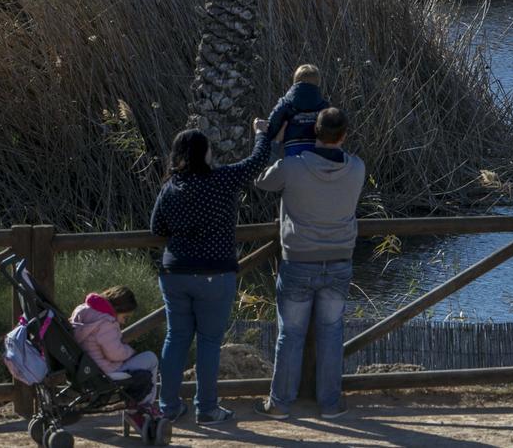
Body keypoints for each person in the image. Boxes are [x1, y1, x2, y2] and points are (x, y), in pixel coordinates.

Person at [150, 119, 271, 425]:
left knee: (175, 339)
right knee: (208, 342)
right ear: (205, 153)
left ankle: (167, 407)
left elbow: (157, 228)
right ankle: (206, 408)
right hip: (215, 274)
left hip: (175, 272)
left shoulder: (170, 188)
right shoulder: (223, 179)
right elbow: (257, 161)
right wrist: (261, 133)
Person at [252, 108, 366, 421]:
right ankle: (330, 404)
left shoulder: (293, 167)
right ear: (343, 135)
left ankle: (280, 404)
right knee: (331, 333)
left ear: (314, 133)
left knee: (290, 334)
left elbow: (262, 180)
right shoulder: (356, 168)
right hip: (339, 261)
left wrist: (275, 142)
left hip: (298, 261)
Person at [70, 286, 159, 404]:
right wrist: (131, 351)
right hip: (106, 371)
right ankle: (145, 405)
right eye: (125, 317)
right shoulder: (106, 323)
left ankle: (138, 404)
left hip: (87, 370)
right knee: (151, 358)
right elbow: (115, 354)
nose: (123, 322)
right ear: (118, 308)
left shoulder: (81, 310)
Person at [267, 64, 330, 156]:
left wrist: (271, 136)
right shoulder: (323, 106)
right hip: (316, 149)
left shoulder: (286, 103)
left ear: (295, 81)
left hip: (291, 147)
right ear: (318, 83)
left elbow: (273, 122)